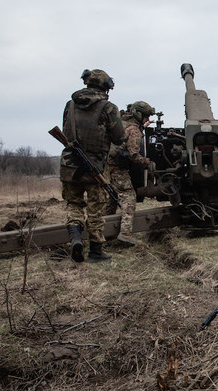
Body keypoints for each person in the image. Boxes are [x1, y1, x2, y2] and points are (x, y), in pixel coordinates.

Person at [60, 69, 125, 263]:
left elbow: (66, 132)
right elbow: (119, 137)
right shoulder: (109, 108)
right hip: (95, 168)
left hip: (70, 166)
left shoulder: (70, 105)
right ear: (105, 87)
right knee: (96, 210)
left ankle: (76, 238)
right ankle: (96, 251)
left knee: (74, 205)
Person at [105, 101, 156, 246]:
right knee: (129, 197)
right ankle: (125, 233)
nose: (146, 119)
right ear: (139, 115)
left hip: (106, 167)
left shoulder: (122, 123)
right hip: (117, 168)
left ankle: (102, 233)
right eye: (145, 116)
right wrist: (147, 161)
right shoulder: (134, 130)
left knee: (111, 199)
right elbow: (134, 156)